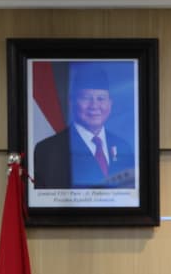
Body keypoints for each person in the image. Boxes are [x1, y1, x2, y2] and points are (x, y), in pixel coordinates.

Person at [32, 62, 135, 190]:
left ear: (110, 104)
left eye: (101, 99)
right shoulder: (48, 149)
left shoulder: (123, 146)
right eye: (86, 98)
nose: (94, 106)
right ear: (72, 102)